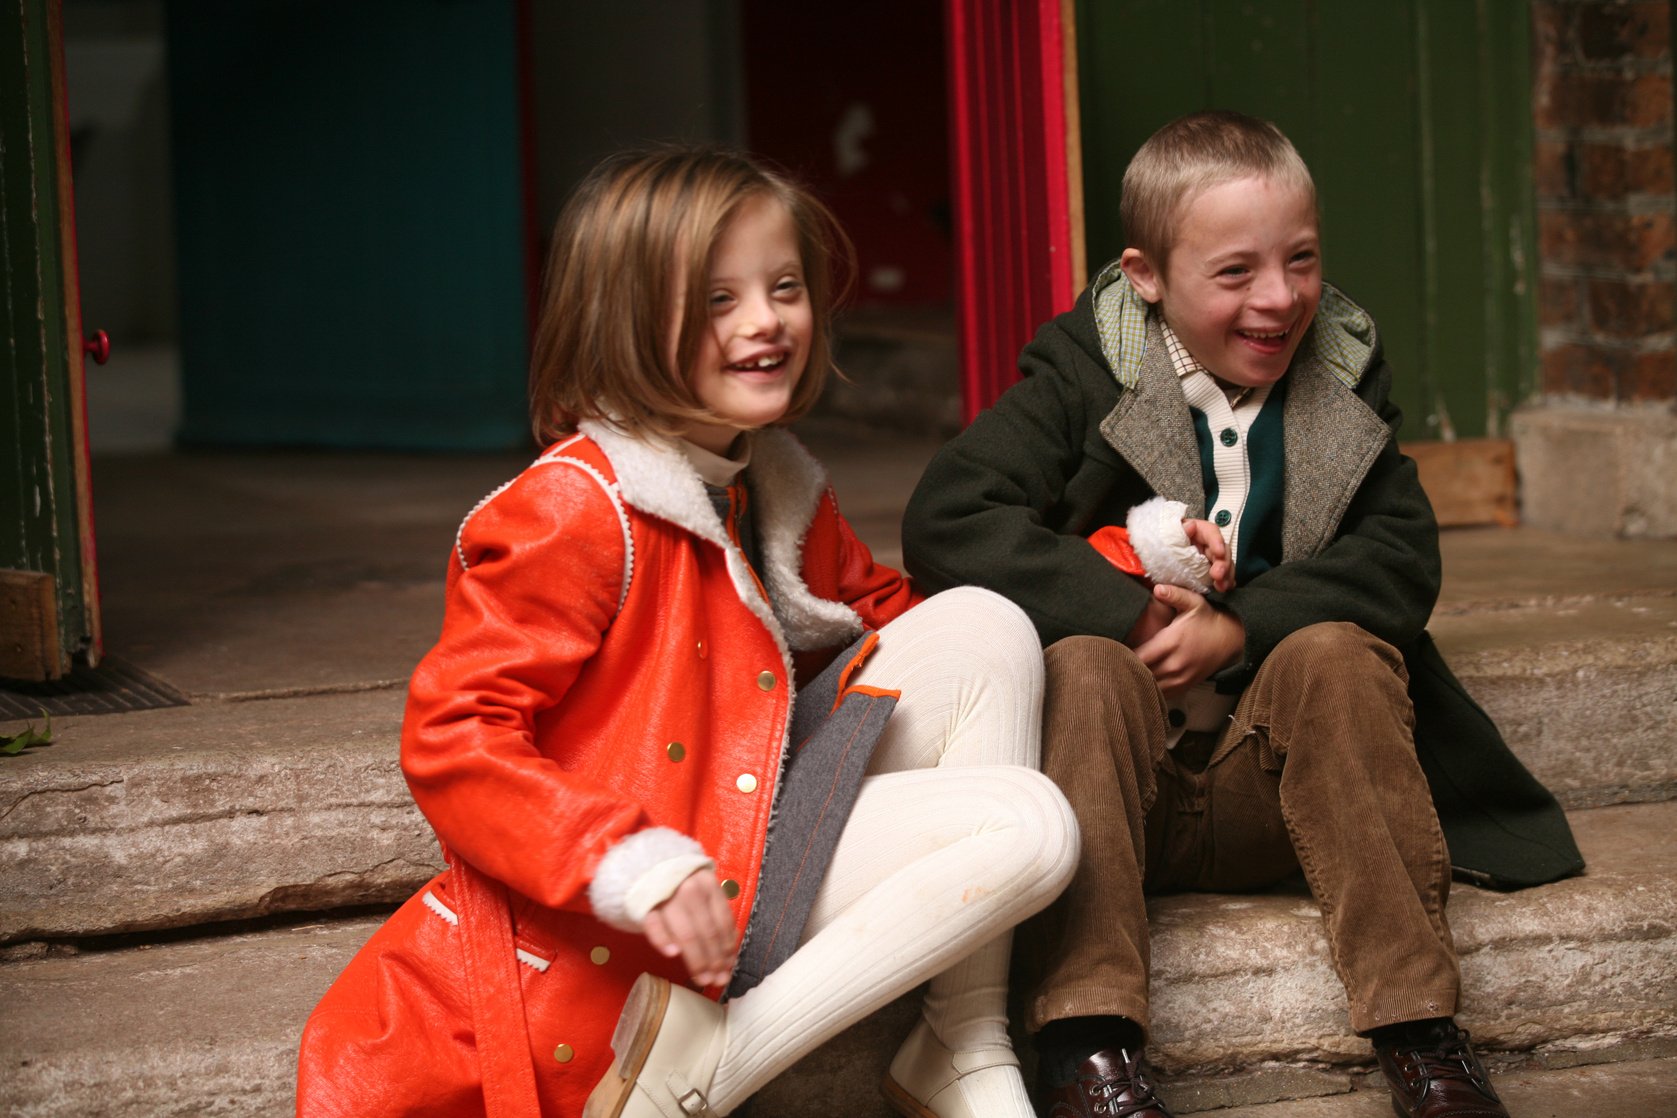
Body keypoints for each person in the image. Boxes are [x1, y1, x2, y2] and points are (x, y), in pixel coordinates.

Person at [293, 148, 1078, 1118]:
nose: (765, 320)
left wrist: (1130, 568)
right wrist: (631, 861)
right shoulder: (575, 510)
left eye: (783, 286)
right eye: (716, 299)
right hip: (670, 886)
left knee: (986, 621)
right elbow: (454, 736)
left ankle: (961, 1039)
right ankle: (701, 1071)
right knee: (1030, 823)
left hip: (754, 818)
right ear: (621, 320)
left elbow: (901, 628)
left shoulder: (774, 480)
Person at [901, 111, 1583, 1118]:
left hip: (1285, 787)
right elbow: (949, 515)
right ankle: (1087, 1046)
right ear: (1146, 275)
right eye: (1235, 273)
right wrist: (1125, 611)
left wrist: (1244, 626)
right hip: (1115, 799)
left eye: (1301, 259)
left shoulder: (1341, 375)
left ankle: (1422, 1033)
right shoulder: (1086, 369)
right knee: (1083, 662)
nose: (1280, 297)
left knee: (1338, 652)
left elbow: (1401, 559)